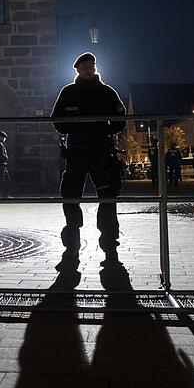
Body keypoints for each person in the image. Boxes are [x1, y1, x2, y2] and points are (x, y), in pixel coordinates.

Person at [51, 52, 127, 269]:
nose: (88, 68)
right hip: (76, 152)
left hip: (101, 151)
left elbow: (121, 120)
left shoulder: (106, 92)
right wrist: (74, 130)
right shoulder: (69, 92)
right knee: (70, 196)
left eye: (91, 65)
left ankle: (110, 249)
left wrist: (104, 131)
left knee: (108, 199)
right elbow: (56, 120)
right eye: (84, 65)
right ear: (77, 69)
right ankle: (72, 248)